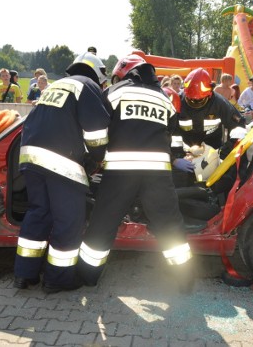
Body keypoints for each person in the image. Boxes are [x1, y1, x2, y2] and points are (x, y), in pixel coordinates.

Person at [78, 54, 193, 292]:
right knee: (169, 224)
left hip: (121, 170)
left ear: (123, 73)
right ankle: (184, 280)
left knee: (103, 222)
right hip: (158, 173)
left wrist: (93, 158)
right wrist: (176, 159)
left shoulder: (116, 91)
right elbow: (175, 140)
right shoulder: (165, 98)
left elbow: (98, 128)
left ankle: (88, 275)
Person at [14, 57, 111, 294]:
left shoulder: (58, 85)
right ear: (97, 74)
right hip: (61, 161)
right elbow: (97, 133)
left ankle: (24, 274)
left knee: (39, 213)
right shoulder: (86, 86)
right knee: (68, 220)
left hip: (30, 158)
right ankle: (57, 278)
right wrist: (97, 157)